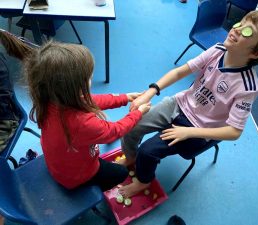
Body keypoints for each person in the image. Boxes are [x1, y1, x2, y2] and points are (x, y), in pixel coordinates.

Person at [117, 10, 258, 197]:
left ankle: (143, 181)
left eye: (247, 32)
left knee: (148, 151)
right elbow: (179, 72)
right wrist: (149, 92)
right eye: (240, 23)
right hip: (180, 104)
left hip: (197, 127)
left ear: (256, 53)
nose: (237, 29)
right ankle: (131, 157)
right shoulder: (217, 50)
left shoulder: (248, 87)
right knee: (131, 126)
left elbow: (234, 131)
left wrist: (188, 132)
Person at [0, 30, 151, 191]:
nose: (91, 79)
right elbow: (115, 130)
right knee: (120, 173)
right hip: (75, 176)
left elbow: (91, 101)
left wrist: (124, 97)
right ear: (74, 89)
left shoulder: (50, 98)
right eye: (89, 78)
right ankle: (89, 190)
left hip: (59, 163)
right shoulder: (82, 124)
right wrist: (138, 113)